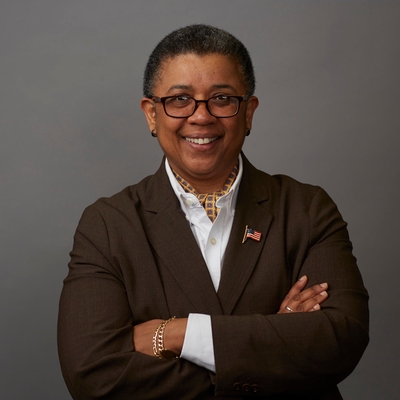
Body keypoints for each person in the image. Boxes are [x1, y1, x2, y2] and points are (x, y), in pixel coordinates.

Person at [58, 24, 369, 399]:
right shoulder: (107, 225)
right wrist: (274, 342)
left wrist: (175, 334)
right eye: (180, 99)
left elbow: (341, 339)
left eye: (221, 98)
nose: (201, 117)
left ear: (248, 112)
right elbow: (93, 377)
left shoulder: (306, 208)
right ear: (151, 114)